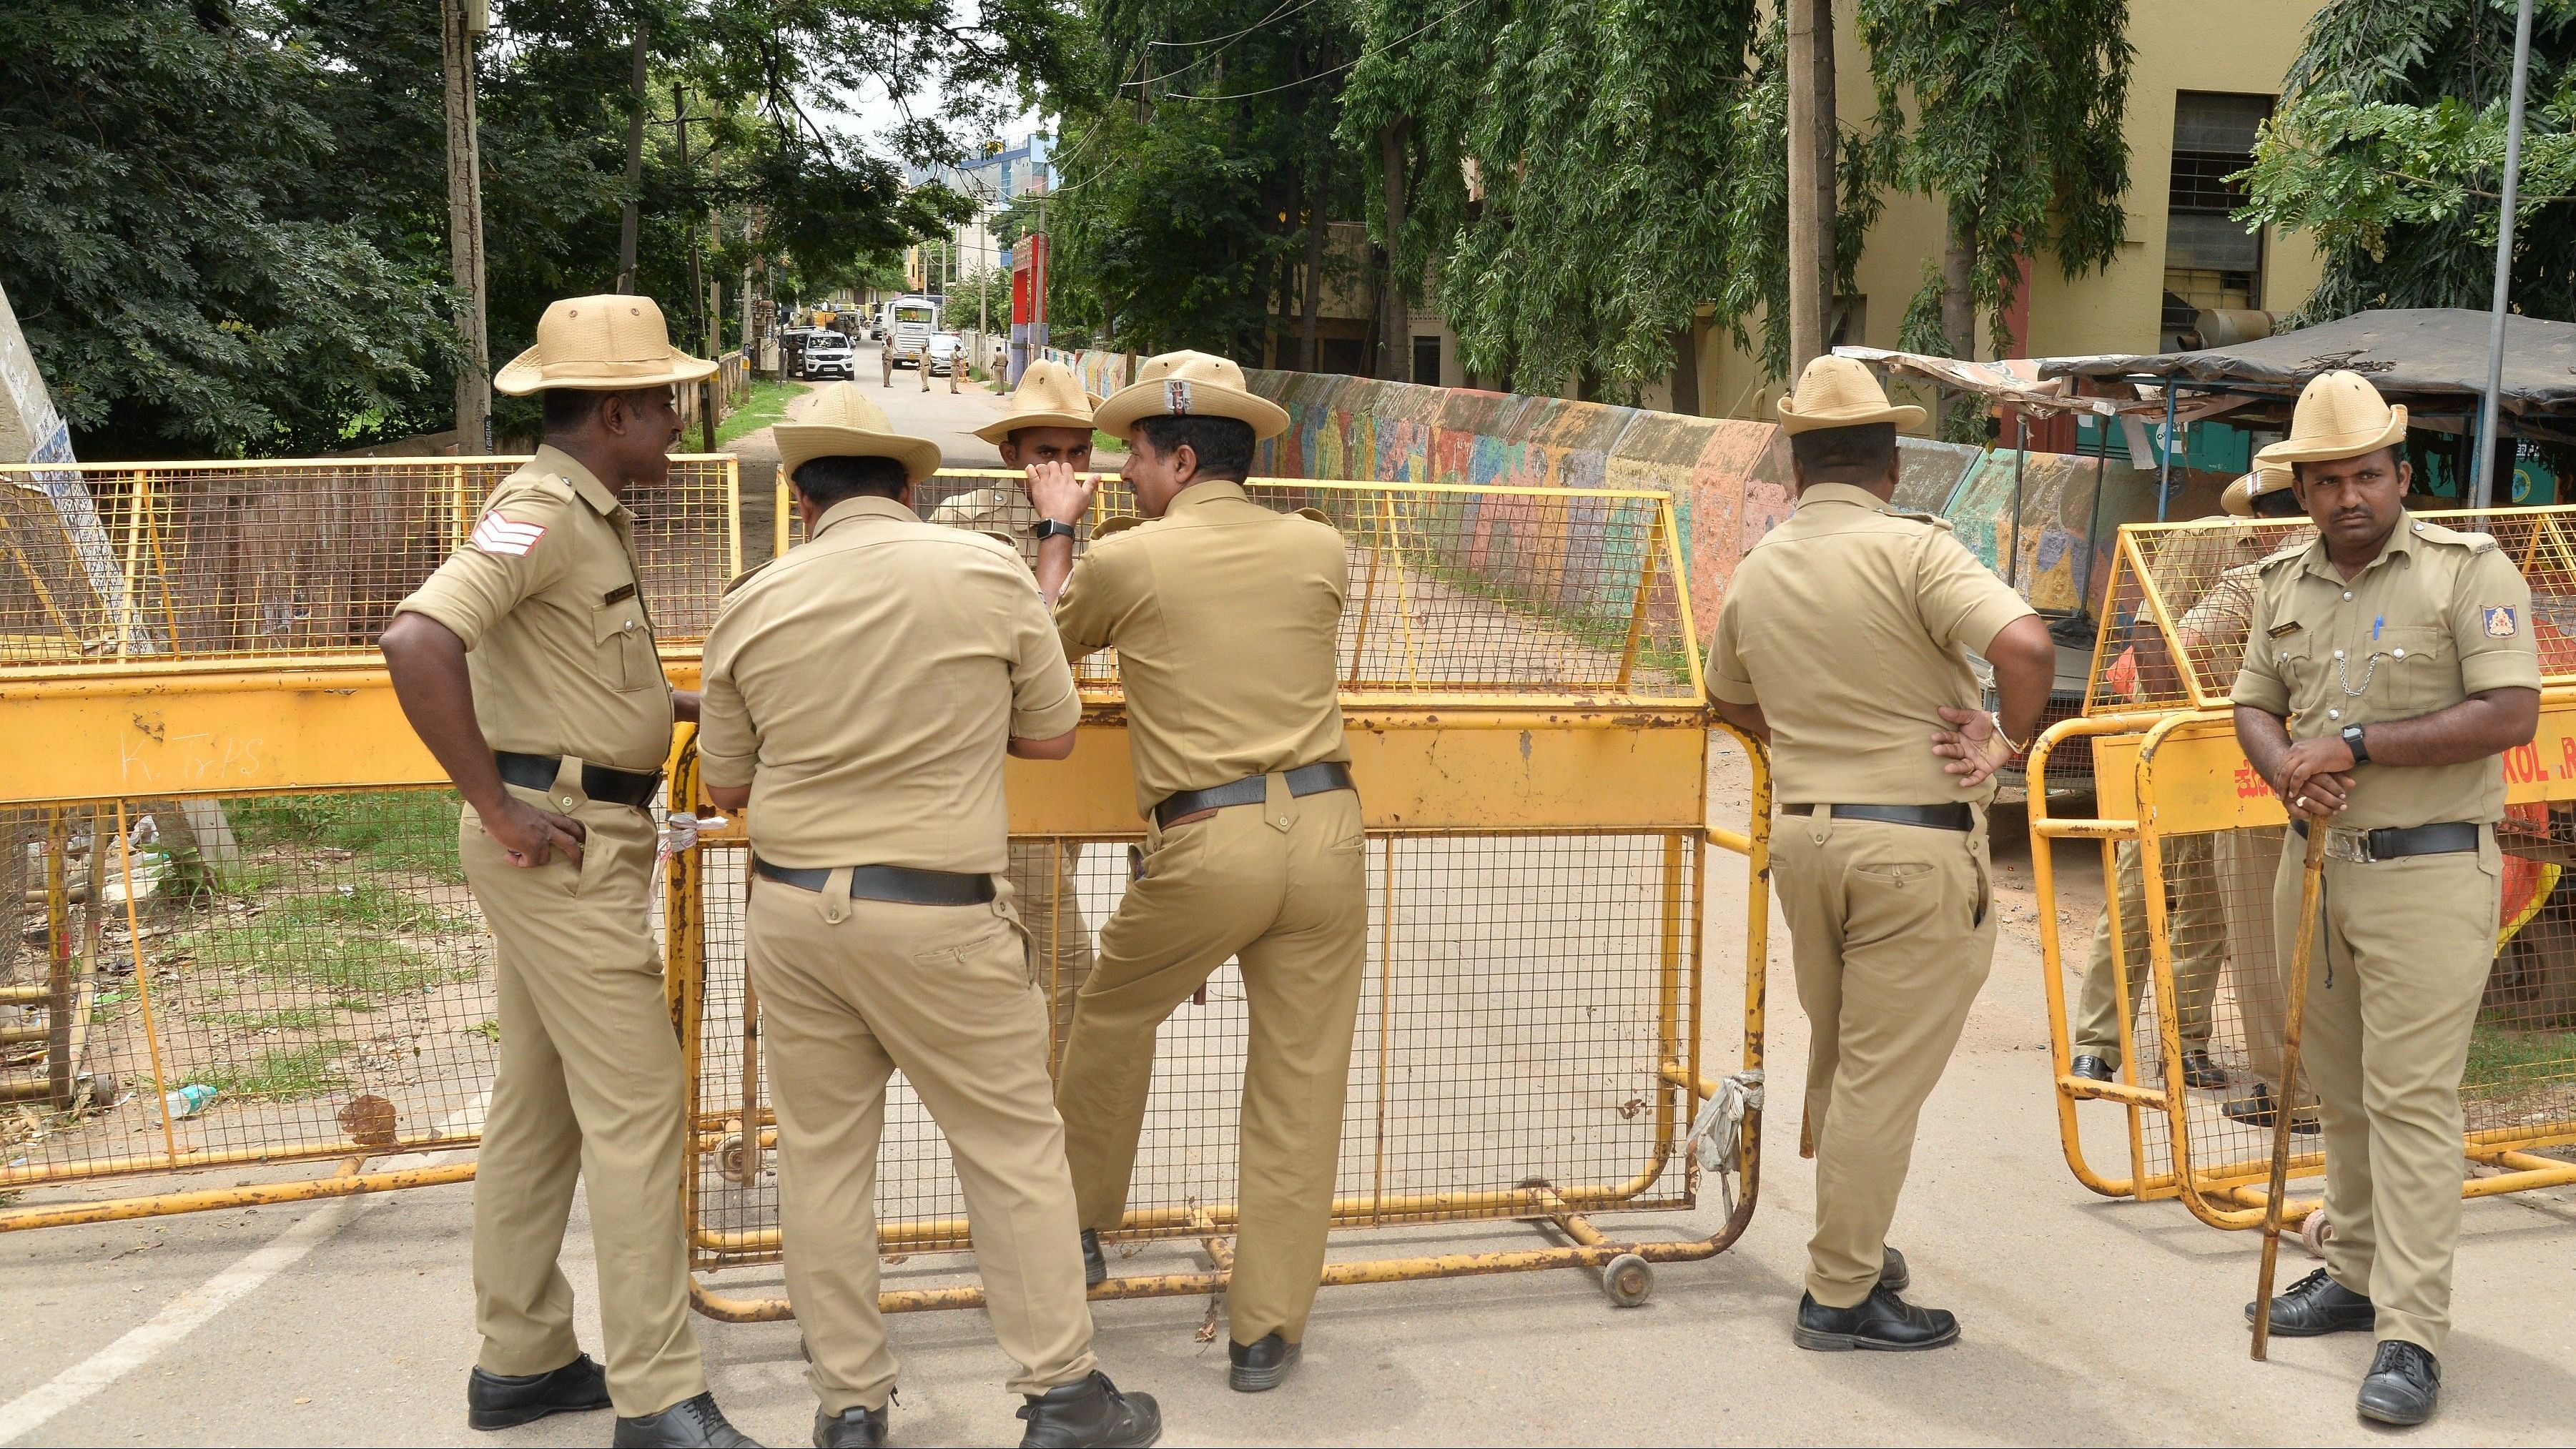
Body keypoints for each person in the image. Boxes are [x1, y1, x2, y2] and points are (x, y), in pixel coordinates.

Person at [697, 383, 1163, 1449]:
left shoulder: (753, 598)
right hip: (940, 916)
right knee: (1007, 1146)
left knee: (820, 1158)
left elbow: (726, 783)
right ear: (911, 487)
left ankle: (850, 1405)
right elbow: (1048, 737)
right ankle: (1061, 1393)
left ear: (802, 497)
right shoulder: (985, 572)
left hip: (794, 913)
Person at [380, 295, 754, 1447]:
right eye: (665, 402)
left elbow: (583, 686)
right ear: (613, 411)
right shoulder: (537, 510)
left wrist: (690, 706)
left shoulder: (587, 512)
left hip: (580, 829)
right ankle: (656, 1393)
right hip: (558, 842)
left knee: (539, 1110)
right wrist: (495, 806)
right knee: (640, 1103)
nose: (681, 421)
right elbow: (415, 639)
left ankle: (523, 1359)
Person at [1705, 356, 2056, 1352]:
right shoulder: (1912, 550)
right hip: (1907, 844)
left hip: (1806, 839)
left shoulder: (1760, 565)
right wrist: (2007, 741)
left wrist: (1809, 735)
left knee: (1845, 1047)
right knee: (1877, 1073)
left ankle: (1848, 1237)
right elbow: (2024, 649)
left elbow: (1725, 694)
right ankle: (1839, 1290)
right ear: (1890, 463)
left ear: (1793, 463)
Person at [1027, 351, 1362, 1393]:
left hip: (1205, 838)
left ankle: (1078, 1225)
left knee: (1108, 1022)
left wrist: (1055, 530)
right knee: (1298, 1085)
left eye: (1130, 453)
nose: (1118, 470)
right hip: (1326, 832)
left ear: (1179, 459)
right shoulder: (1320, 548)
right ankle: (1267, 1331)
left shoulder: (1130, 561)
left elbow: (1036, 665)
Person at [2232, 370, 2540, 1428]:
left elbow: (2509, 710)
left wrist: (2351, 744)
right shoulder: (2280, 581)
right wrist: (2286, 764)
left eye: (2365, 473)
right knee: (2337, 1084)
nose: (2345, 495)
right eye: (2323, 480)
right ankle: (2353, 1268)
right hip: (2312, 868)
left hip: (2426, 869)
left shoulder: (2467, 569)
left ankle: (2410, 1331)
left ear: (2398, 474)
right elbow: (2251, 704)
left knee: (2409, 1099)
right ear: (2301, 489)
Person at [932, 359, 1110, 1070]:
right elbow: (1040, 638)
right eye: (1045, 453)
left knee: (1029, 959)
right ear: (1011, 454)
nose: (1063, 469)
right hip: (999, 767)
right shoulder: (963, 526)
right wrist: (1052, 529)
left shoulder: (1110, 528)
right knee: (1064, 961)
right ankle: (1045, 1120)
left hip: (1071, 764)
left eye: (1076, 453)